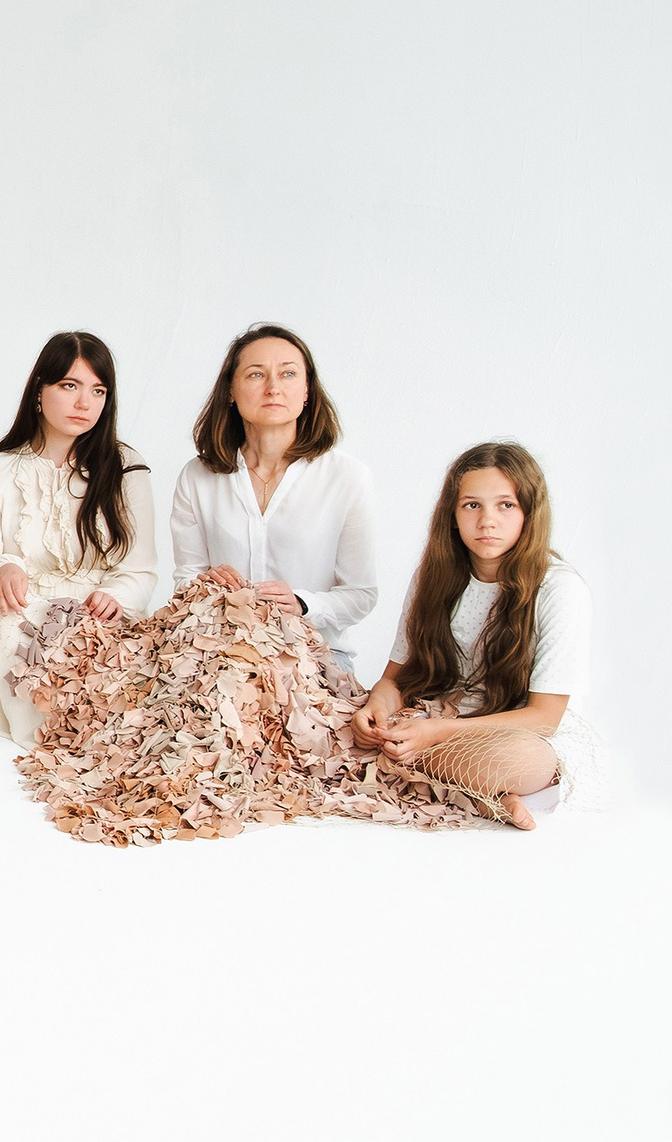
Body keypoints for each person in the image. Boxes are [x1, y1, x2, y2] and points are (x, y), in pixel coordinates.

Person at [352, 442, 596, 829]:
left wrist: (435, 734)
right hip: (434, 718)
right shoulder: (433, 577)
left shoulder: (558, 589)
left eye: (506, 505)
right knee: (345, 722)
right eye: (472, 505)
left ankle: (426, 769)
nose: (487, 522)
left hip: (512, 734)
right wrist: (376, 709)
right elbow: (393, 679)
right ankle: (487, 796)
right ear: (452, 514)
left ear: (529, 513)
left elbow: (545, 718)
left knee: (517, 760)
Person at [0, 333, 158, 747]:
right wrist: (3, 567)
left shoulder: (126, 467)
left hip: (98, 615)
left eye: (98, 391)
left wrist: (115, 596)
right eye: (70, 386)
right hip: (23, 610)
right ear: (39, 392)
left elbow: (141, 567)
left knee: (127, 661)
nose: (85, 403)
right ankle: (56, 729)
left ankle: (96, 720)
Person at [169, 323, 376, 674]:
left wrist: (303, 602)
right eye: (255, 375)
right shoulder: (197, 476)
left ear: (307, 390)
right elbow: (185, 581)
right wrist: (204, 587)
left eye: (288, 374)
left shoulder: (347, 477)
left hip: (316, 660)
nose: (273, 388)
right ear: (231, 391)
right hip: (220, 660)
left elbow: (361, 595)